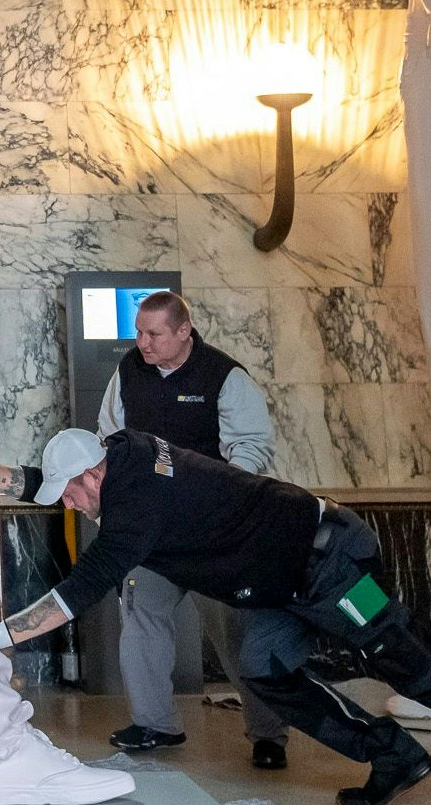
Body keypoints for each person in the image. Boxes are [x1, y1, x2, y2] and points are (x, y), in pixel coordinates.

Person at [0, 428, 431, 805]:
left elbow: (81, 588)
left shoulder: (135, 506)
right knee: (264, 668)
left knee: (423, 675)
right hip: (280, 585)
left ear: (96, 473)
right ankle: (394, 756)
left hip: (337, 563)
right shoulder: (117, 452)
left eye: (75, 490)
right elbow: (44, 477)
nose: (69, 501)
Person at [93, 291, 290, 768]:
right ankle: (155, 723)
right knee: (140, 614)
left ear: (184, 331)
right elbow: (109, 438)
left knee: (238, 632)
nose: (143, 342)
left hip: (215, 533)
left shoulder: (225, 375)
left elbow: (250, 447)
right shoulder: (127, 374)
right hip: (154, 532)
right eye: (138, 332)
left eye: (154, 333)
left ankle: (268, 734)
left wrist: (220, 500)